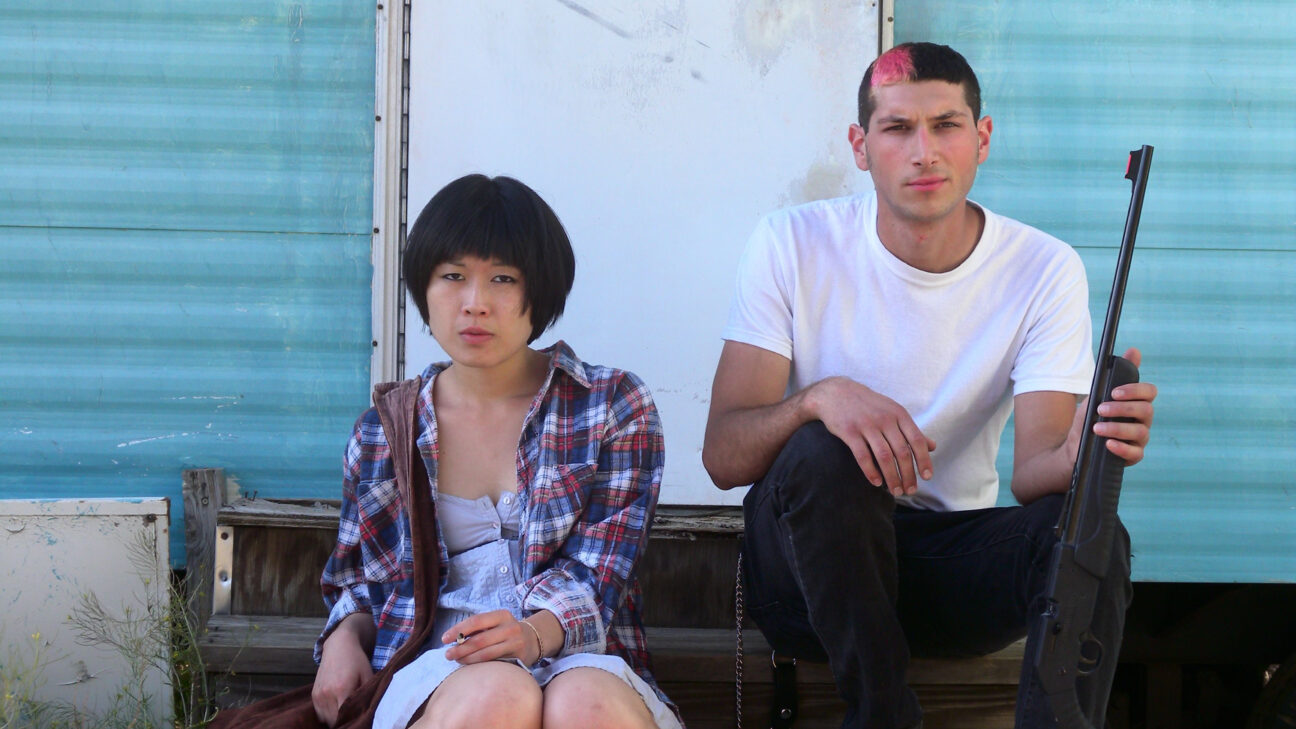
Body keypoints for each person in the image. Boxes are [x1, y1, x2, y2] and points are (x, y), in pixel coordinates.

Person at [702, 43, 1158, 729]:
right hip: (806, 580)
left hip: (943, 566)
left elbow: (1034, 476)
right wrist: (817, 400)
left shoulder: (1044, 268)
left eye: (946, 126)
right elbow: (723, 456)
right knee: (824, 451)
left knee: (1093, 535)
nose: (925, 152)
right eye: (898, 128)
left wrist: (1079, 454)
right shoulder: (790, 242)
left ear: (982, 139)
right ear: (860, 146)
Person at [311, 174, 683, 729]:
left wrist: (533, 633)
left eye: (503, 278)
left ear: (542, 290)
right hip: (438, 667)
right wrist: (342, 638)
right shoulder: (384, 432)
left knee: (586, 705)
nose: (475, 303)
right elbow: (361, 584)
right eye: (453, 276)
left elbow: (602, 572)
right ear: (423, 286)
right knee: (496, 695)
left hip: (583, 656)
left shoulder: (610, 405)